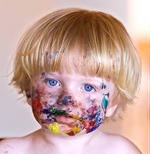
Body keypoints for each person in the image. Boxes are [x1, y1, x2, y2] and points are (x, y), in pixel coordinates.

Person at [0, 8, 142, 154]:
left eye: (88, 87)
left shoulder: (121, 151)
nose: (67, 100)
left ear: (112, 103)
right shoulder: (10, 150)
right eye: (52, 82)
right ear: (29, 90)